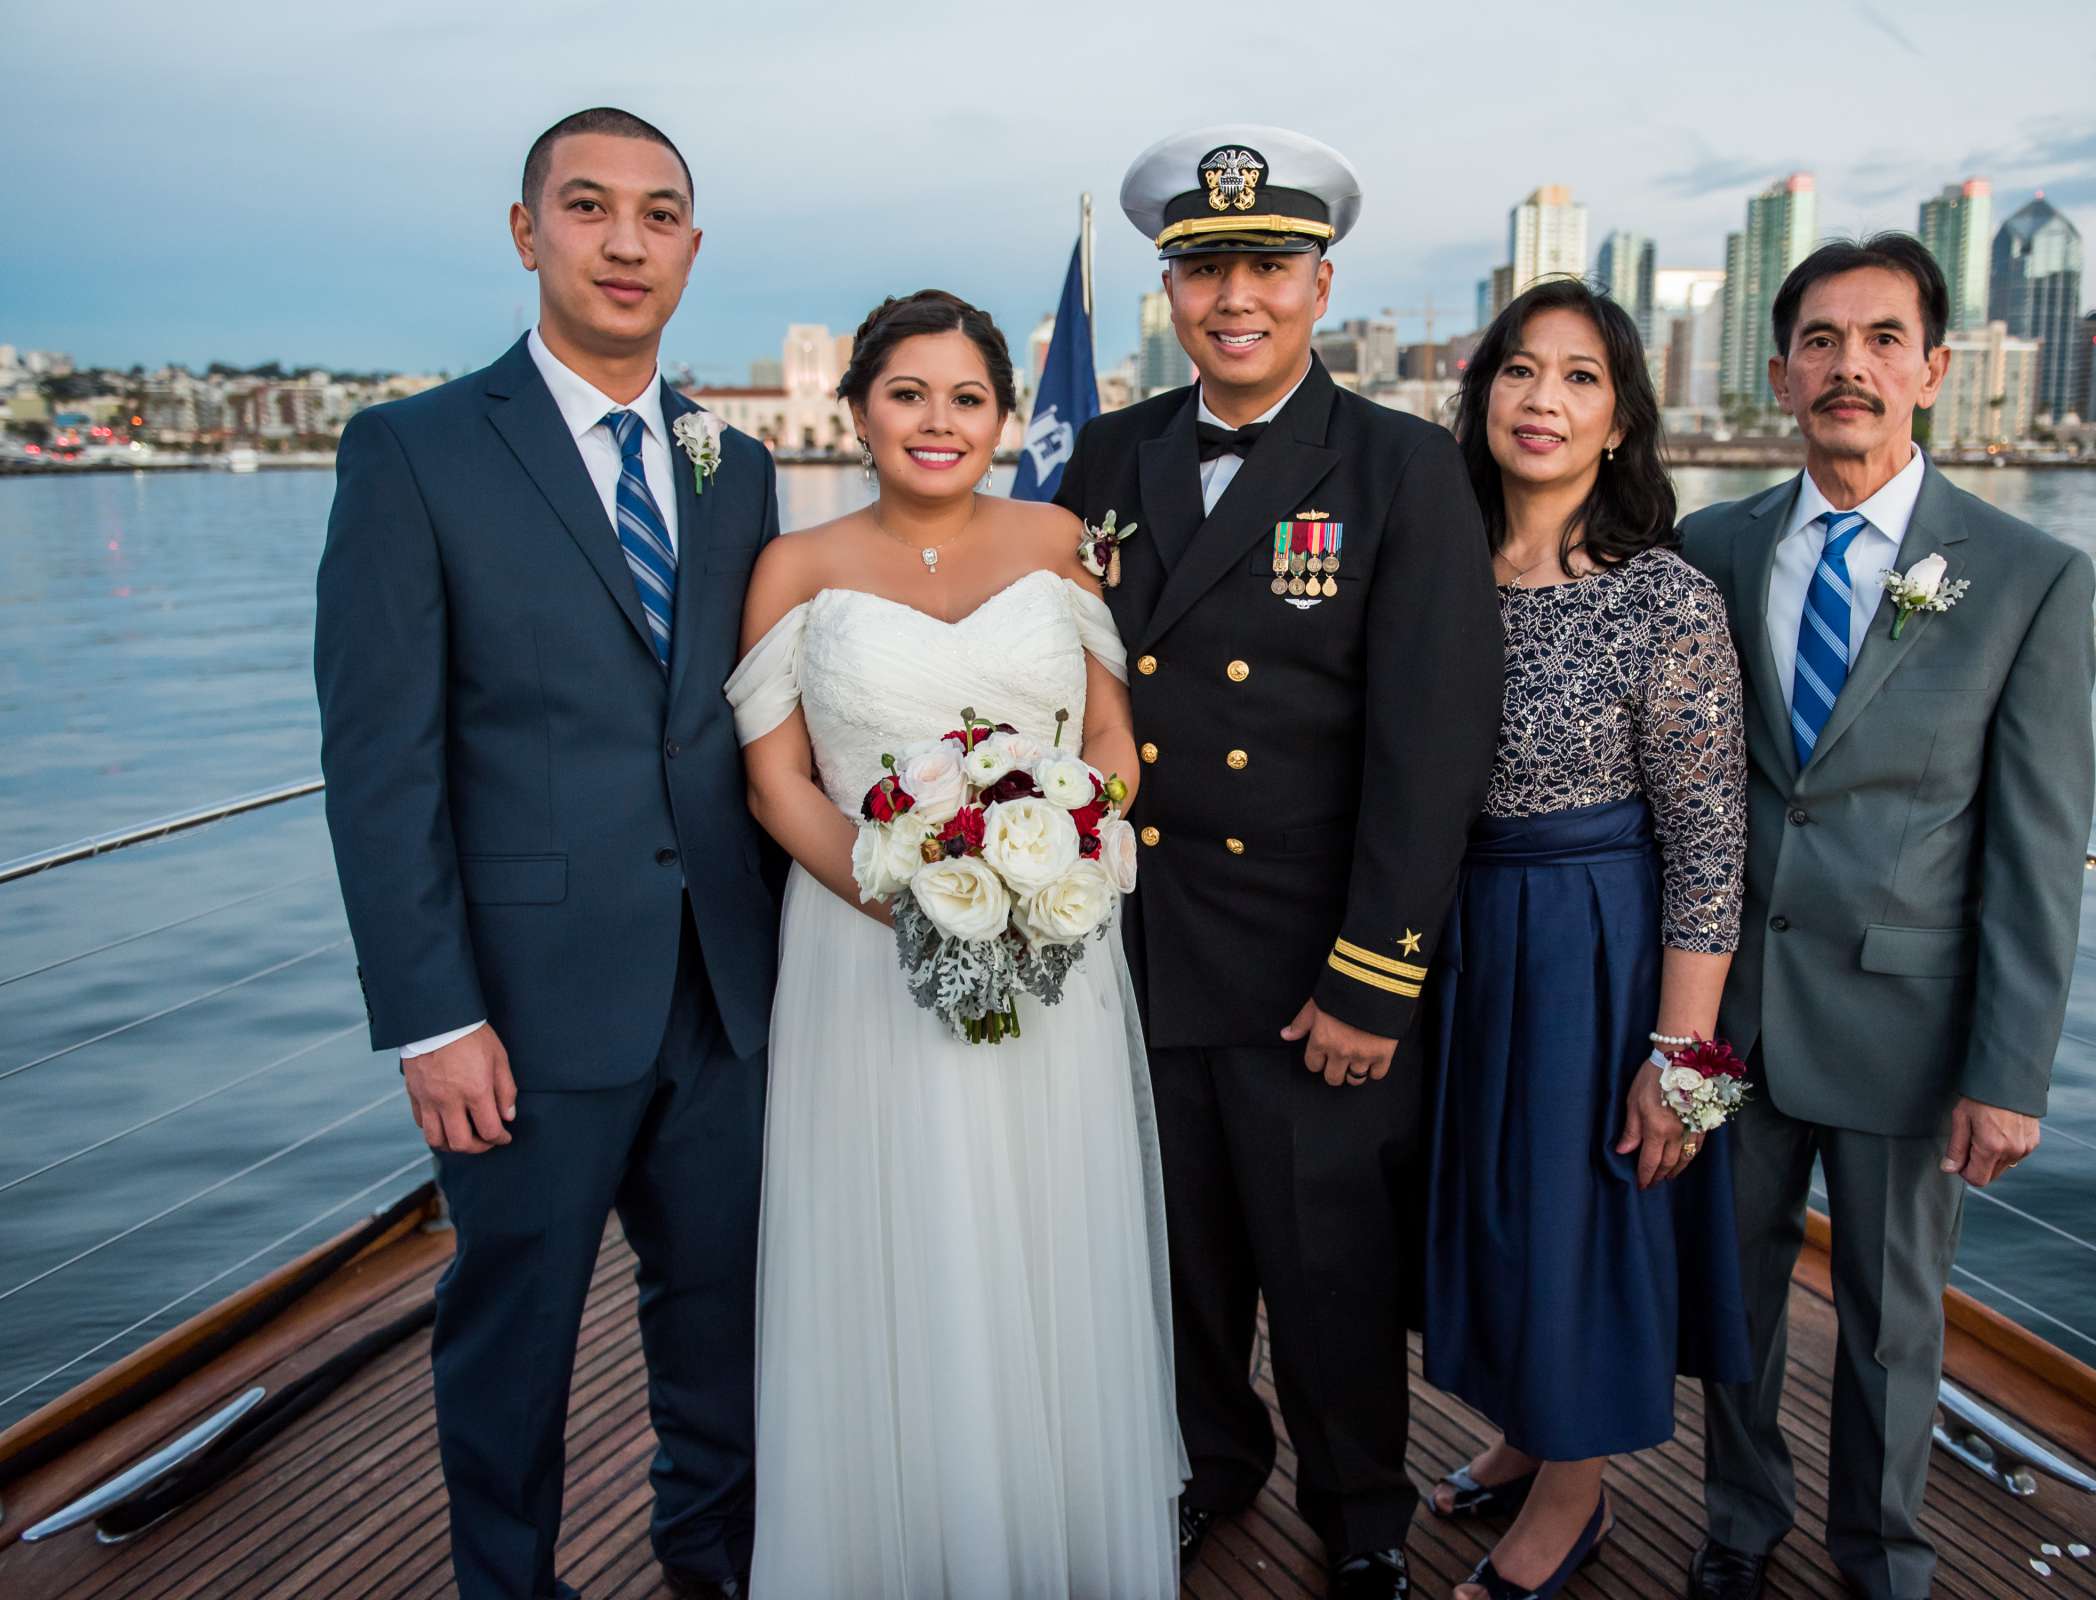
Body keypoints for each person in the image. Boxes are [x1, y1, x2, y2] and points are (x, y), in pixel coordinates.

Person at [315, 108, 782, 1600]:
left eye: (658, 215)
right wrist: (433, 1015)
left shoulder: (739, 466)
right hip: (522, 1008)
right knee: (511, 1334)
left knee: (725, 1326)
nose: (626, 241)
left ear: (693, 251)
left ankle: (715, 1566)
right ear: (528, 232)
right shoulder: (414, 452)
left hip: (724, 995)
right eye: (589, 208)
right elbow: (379, 764)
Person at [1053, 126, 1504, 1600]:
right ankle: (1209, 1465)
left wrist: (1375, 978)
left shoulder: (1399, 466)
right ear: (1168, 292)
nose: (1230, 295)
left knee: (1328, 1270)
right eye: (1199, 269)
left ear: (1320, 283)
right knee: (1177, 1261)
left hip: (1314, 957)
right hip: (1143, 937)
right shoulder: (1108, 456)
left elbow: (1430, 746)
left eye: (1263, 265)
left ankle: (1360, 1501)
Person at [727, 289, 1184, 1599]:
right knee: (894, 1226)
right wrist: (912, 901)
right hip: (863, 956)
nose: (939, 422)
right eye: (910, 394)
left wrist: (1045, 869)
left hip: (1051, 947)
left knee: (1052, 1223)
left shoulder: (1059, 541)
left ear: (1005, 418)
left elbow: (1110, 740)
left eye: (968, 398)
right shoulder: (795, 567)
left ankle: (1052, 1536)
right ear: (858, 407)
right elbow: (778, 782)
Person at [1676, 233, 2096, 1600]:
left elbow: (2040, 848)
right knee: (1731, 1305)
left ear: (1934, 368)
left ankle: (1888, 1558)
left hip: (1909, 1024)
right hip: (1729, 1012)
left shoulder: (2028, 576)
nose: (1848, 366)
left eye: (1880, 339)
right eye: (1820, 340)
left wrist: (2007, 1069)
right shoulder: (1711, 548)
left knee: (1890, 1326)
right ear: (1783, 368)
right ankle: (1739, 1530)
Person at [1421, 278, 1752, 1600]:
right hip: (1459, 933)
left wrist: (1685, 1058)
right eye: (1519, 369)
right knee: (1495, 1209)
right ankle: (1519, 1433)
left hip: (1595, 944)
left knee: (1580, 1217)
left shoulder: (1661, 597)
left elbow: (1712, 836)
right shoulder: (1434, 564)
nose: (1541, 400)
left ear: (1620, 421)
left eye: (1578, 378)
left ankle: (1574, 1496)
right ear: (1482, 392)